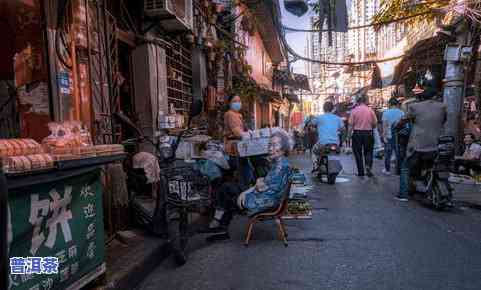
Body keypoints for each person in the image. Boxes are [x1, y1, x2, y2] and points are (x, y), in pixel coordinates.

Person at [203, 130, 293, 241]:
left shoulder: (280, 167)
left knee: (227, 190)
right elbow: (264, 183)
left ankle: (221, 225)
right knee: (228, 188)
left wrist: (245, 193)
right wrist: (257, 184)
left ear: (284, 148)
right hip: (269, 198)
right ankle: (222, 226)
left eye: (275, 145)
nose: (270, 148)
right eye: (270, 145)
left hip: (265, 201)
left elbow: (261, 187)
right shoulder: (281, 162)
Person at [396, 83, 447, 201]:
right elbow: (443, 121)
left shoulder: (414, 107)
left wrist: (397, 128)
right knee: (432, 165)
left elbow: (403, 121)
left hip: (417, 145)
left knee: (405, 168)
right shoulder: (443, 107)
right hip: (436, 145)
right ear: (436, 96)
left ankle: (403, 194)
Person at [223, 95, 254, 188]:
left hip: (241, 147)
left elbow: (244, 130)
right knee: (242, 173)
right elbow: (237, 132)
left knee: (246, 170)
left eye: (239, 101)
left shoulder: (239, 115)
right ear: (229, 103)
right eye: (234, 101)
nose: (237, 103)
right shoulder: (230, 114)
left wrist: (250, 133)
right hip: (234, 147)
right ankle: (242, 191)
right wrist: (249, 135)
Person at [349, 94, 378, 177]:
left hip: (357, 134)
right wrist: (370, 126)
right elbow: (375, 124)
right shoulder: (370, 110)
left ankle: (361, 172)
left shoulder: (354, 111)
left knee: (357, 153)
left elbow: (351, 125)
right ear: (365, 101)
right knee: (368, 151)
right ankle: (368, 166)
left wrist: (348, 136)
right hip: (368, 133)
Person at [382, 97, 405, 175]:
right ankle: (399, 170)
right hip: (400, 136)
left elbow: (384, 126)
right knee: (399, 153)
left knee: (388, 153)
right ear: (397, 104)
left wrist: (384, 136)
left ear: (389, 104)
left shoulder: (386, 113)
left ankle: (387, 170)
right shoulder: (402, 113)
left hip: (389, 136)